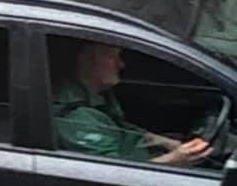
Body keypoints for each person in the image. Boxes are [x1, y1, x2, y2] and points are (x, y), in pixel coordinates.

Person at [52, 42, 212, 166]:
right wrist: (174, 160)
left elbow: (122, 127)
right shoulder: (75, 118)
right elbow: (113, 175)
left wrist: (168, 143)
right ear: (87, 60)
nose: (121, 64)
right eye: (112, 57)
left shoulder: (98, 96)